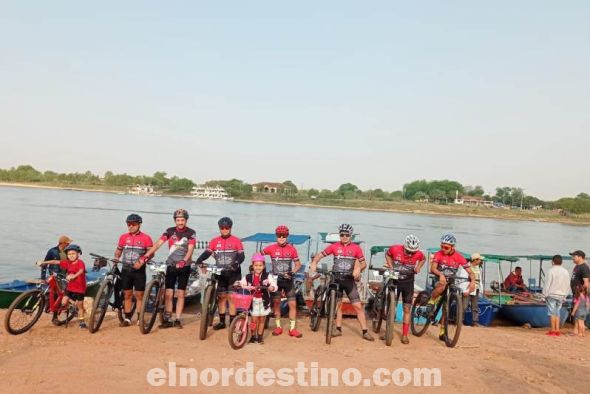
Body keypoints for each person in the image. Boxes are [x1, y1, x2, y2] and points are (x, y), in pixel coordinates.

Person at [309, 224, 374, 341]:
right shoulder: (334, 246)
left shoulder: (356, 248)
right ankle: (338, 329)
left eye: (347, 235)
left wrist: (358, 269)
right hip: (336, 278)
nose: (344, 237)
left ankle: (365, 331)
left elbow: (364, 263)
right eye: (342, 235)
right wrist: (314, 262)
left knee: (358, 306)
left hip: (349, 280)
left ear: (351, 236)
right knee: (337, 305)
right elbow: (320, 255)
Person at [143, 209, 196, 328]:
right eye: (178, 220)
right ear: (175, 221)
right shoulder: (169, 231)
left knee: (181, 294)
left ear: (186, 220)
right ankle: (168, 319)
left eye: (182, 220)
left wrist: (184, 260)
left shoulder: (191, 233)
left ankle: (177, 319)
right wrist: (145, 256)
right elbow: (158, 244)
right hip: (171, 265)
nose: (180, 222)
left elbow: (191, 248)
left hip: (184, 266)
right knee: (168, 293)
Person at [195, 217, 245, 330]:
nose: (224, 230)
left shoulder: (236, 241)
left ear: (230, 228)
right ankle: (222, 322)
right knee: (222, 297)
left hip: (234, 273)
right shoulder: (214, 241)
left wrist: (236, 263)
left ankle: (232, 323)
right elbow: (207, 253)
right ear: (219, 228)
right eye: (222, 228)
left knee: (231, 298)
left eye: (227, 228)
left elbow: (242, 256)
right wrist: (199, 261)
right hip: (220, 272)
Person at [428, 234, 475, 341]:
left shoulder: (459, 257)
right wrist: (440, 275)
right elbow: (433, 268)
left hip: (451, 280)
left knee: (446, 307)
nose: (443, 249)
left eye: (446, 247)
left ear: (452, 247)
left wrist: (473, 282)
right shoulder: (438, 254)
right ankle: (431, 301)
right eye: (442, 246)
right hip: (439, 278)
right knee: (442, 285)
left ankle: (442, 332)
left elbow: (470, 272)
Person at [262, 225, 303, 338]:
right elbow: (258, 255)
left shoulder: (292, 249)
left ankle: (292, 329)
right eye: (279, 235)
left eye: (283, 235)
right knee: (276, 304)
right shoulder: (271, 248)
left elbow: (298, 264)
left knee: (292, 304)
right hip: (276, 281)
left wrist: (292, 272)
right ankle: (278, 327)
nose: (281, 237)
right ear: (276, 236)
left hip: (288, 280)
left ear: (287, 236)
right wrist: (260, 269)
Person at [383, 234, 425, 344]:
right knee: (392, 307)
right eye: (408, 251)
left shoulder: (419, 254)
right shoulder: (395, 249)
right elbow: (387, 255)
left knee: (407, 309)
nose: (411, 254)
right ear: (404, 246)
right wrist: (390, 265)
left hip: (408, 282)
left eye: (413, 252)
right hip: (395, 281)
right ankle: (388, 331)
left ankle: (405, 335)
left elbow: (423, 259)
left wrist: (418, 267)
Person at [113, 213, 154, 326]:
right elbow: (118, 250)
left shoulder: (146, 238)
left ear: (139, 224)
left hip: (139, 271)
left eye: (133, 224)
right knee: (127, 294)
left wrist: (142, 262)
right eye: (128, 224)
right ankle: (127, 318)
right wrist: (116, 258)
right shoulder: (123, 237)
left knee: (139, 295)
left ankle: (140, 318)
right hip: (126, 269)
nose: (130, 226)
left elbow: (151, 254)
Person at [38, 244, 87, 329]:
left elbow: (81, 271)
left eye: (73, 254)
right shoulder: (67, 263)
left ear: (78, 254)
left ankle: (82, 322)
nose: (71, 255)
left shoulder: (80, 262)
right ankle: (72, 307)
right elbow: (55, 262)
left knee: (80, 306)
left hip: (80, 288)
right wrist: (44, 262)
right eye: (69, 254)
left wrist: (74, 276)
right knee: (63, 302)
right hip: (70, 287)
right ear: (67, 255)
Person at [235, 253, 277, 344]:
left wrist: (272, 287)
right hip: (253, 301)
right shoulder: (248, 276)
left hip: (264, 301)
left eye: (260, 265)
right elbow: (242, 283)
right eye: (256, 265)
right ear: (253, 266)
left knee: (262, 320)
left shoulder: (268, 276)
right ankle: (253, 336)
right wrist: (238, 284)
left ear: (264, 266)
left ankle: (260, 337)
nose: (258, 267)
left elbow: (274, 284)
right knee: (253, 320)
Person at [543, 255, 570, 337]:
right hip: (561, 295)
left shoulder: (551, 271)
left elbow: (547, 284)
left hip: (552, 294)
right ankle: (558, 330)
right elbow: (568, 284)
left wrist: (544, 295)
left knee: (552, 312)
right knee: (557, 312)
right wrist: (565, 294)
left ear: (552, 262)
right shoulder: (565, 271)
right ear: (562, 262)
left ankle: (553, 330)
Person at [460, 253, 484, 327]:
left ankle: (475, 322)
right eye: (479, 259)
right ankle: (460, 321)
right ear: (475, 260)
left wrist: (481, 289)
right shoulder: (466, 267)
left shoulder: (478, 268)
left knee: (475, 306)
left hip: (476, 289)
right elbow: (462, 280)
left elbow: (479, 280)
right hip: (467, 289)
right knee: (464, 306)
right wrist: (464, 290)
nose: (480, 261)